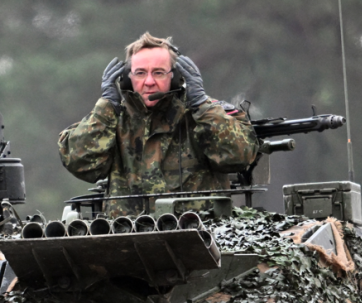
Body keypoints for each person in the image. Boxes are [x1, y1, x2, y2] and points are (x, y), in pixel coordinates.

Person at [58, 32, 259, 217]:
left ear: (176, 77)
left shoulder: (203, 115)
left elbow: (237, 157)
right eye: (140, 73)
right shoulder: (111, 119)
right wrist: (106, 106)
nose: (149, 81)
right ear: (127, 79)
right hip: (127, 236)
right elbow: (80, 163)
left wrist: (202, 105)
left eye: (159, 72)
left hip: (198, 234)